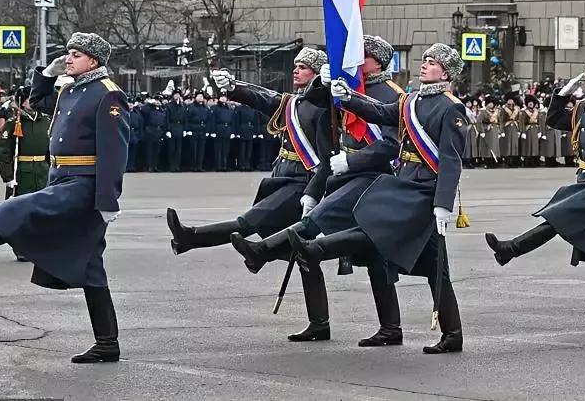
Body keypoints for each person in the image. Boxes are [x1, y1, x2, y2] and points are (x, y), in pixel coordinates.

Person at [0, 33, 130, 363]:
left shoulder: (108, 94)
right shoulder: (69, 89)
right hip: (61, 178)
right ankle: (107, 343)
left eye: (76, 54)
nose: (69, 58)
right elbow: (38, 101)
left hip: (83, 186)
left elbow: (114, 151)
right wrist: (46, 74)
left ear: (94, 60)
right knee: (91, 266)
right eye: (68, 53)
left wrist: (108, 200)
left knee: (19, 210)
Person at [286, 43, 468, 354]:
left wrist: (443, 204)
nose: (424, 65)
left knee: (374, 221)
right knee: (436, 266)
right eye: (424, 60)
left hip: (424, 191)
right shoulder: (410, 100)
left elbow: (451, 159)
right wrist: (348, 96)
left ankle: (317, 247)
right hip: (407, 183)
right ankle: (450, 334)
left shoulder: (450, 108)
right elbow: (379, 112)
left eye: (432, 62)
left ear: (447, 73)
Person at [232, 36, 407, 347]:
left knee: (331, 237)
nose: (353, 61)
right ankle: (322, 323)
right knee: (334, 248)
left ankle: (264, 250)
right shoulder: (352, 86)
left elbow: (391, 145)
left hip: (375, 180)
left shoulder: (391, 94)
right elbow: (306, 100)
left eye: (360, 55)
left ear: (376, 60)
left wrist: (351, 161)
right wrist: (323, 79)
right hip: (343, 176)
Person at [166, 48, 335, 342]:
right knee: (304, 254)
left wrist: (313, 194)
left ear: (317, 73)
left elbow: (325, 149)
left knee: (250, 223)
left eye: (304, 67)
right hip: (283, 179)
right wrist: (235, 88)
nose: (296, 70)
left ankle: (190, 238)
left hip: (302, 184)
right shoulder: (292, 102)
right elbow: (263, 98)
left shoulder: (323, 106)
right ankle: (319, 323)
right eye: (295, 65)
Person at [485, 56, 585, 330]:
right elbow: (555, 119)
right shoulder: (583, 108)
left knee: (560, 214)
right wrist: (561, 95)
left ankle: (512, 248)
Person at [0, 86, 52, 260]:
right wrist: (8, 177)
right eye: (30, 99)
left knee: (42, 211)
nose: (34, 103)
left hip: (43, 170)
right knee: (22, 212)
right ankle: (21, 248)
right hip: (22, 172)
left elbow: (52, 150)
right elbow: (4, 153)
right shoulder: (14, 123)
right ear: (22, 101)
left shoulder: (46, 121)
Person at [185, 92, 209, 171]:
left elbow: (208, 119)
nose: (200, 98)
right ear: (195, 97)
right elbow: (187, 119)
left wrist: (207, 130)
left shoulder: (205, 107)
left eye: (202, 96)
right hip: (193, 128)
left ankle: (199, 165)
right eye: (199, 96)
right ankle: (193, 165)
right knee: (193, 149)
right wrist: (188, 129)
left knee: (201, 149)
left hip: (202, 129)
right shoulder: (191, 107)